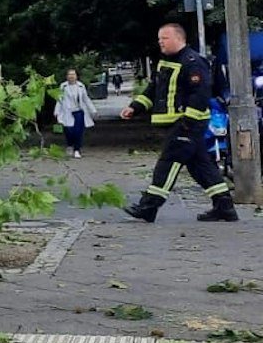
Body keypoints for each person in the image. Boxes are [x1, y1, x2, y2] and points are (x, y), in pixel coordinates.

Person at [120, 22, 238, 222]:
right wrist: (135, 107)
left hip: (187, 123)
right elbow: (154, 90)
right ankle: (224, 206)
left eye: (164, 39)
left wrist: (188, 121)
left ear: (178, 39)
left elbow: (200, 94)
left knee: (168, 162)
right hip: (180, 123)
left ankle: (148, 207)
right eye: (159, 39)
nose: (160, 43)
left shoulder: (193, 62)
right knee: (201, 166)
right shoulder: (164, 61)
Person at [53, 69, 96, 158]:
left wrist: (93, 110)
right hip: (67, 112)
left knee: (78, 132)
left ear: (76, 76)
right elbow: (59, 99)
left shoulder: (81, 86)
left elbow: (85, 98)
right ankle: (70, 145)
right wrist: (57, 111)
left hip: (79, 112)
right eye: (69, 74)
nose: (71, 76)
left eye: (73, 74)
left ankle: (77, 149)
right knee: (69, 131)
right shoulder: (63, 86)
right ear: (67, 76)